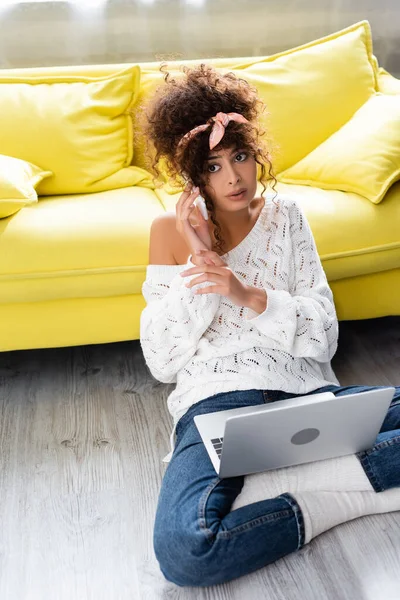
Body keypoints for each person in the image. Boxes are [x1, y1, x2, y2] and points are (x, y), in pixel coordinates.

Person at [139, 64, 400, 587]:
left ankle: (297, 478)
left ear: (257, 154)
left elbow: (324, 336)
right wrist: (202, 259)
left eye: (240, 157)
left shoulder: (287, 216)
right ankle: (338, 493)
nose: (233, 177)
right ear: (193, 176)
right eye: (213, 167)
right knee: (186, 552)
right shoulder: (169, 231)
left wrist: (248, 295)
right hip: (218, 404)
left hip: (304, 394)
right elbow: (162, 360)